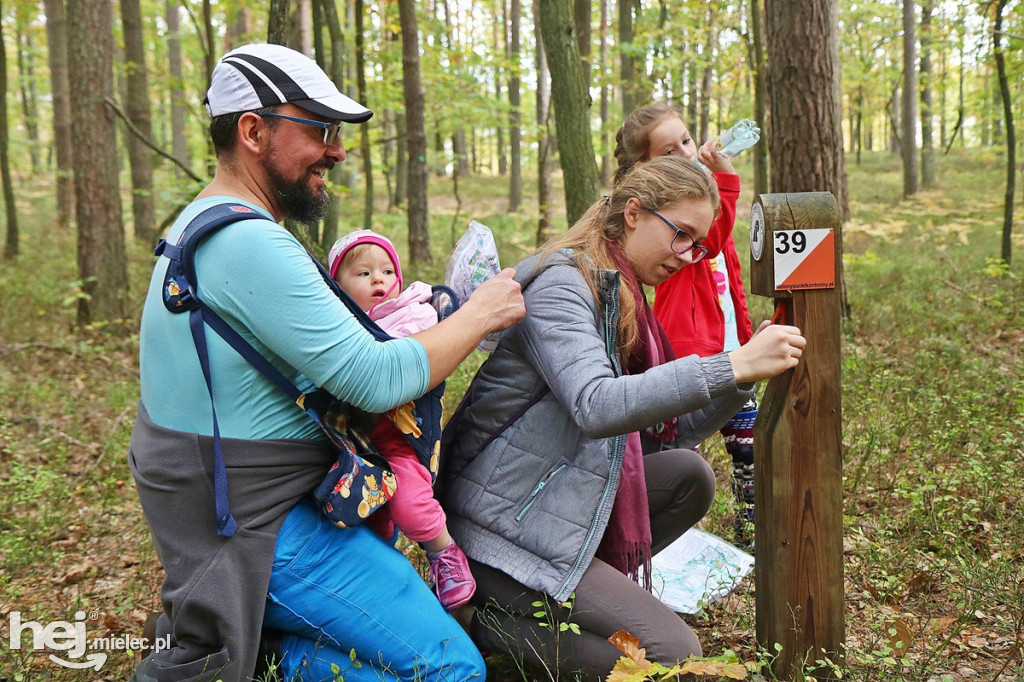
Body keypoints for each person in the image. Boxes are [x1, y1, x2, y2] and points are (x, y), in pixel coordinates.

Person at [128, 43, 523, 682]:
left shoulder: (200, 222)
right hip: (259, 529)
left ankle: (268, 658)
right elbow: (374, 380)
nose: (336, 150)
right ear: (253, 131)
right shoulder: (248, 242)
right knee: (453, 667)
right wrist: (478, 314)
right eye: (318, 130)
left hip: (236, 507)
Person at [440, 156, 805, 680]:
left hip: (557, 505)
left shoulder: (622, 294)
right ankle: (480, 619)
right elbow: (597, 404)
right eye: (681, 235)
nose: (688, 255)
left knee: (690, 475)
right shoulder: (563, 285)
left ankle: (571, 600)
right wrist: (729, 361)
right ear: (634, 212)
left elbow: (669, 431)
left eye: (699, 244)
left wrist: (739, 376)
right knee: (671, 654)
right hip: (499, 529)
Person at [615, 103, 759, 547]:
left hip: (733, 346)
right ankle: (678, 536)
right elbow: (711, 240)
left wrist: (748, 334)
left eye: (687, 141)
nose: (684, 153)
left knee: (749, 445)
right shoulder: (672, 224)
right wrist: (727, 182)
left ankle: (751, 523)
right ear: (645, 166)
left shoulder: (693, 205)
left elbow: (728, 276)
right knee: (680, 452)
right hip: (691, 351)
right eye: (668, 150)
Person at [328, 228, 476, 610]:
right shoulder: (332, 324)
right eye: (363, 274)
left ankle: (445, 554)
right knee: (367, 518)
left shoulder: (413, 310)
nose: (379, 280)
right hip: (352, 442)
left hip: (401, 437)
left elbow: (406, 356)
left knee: (410, 504)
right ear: (336, 286)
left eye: (387, 272)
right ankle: (384, 575)